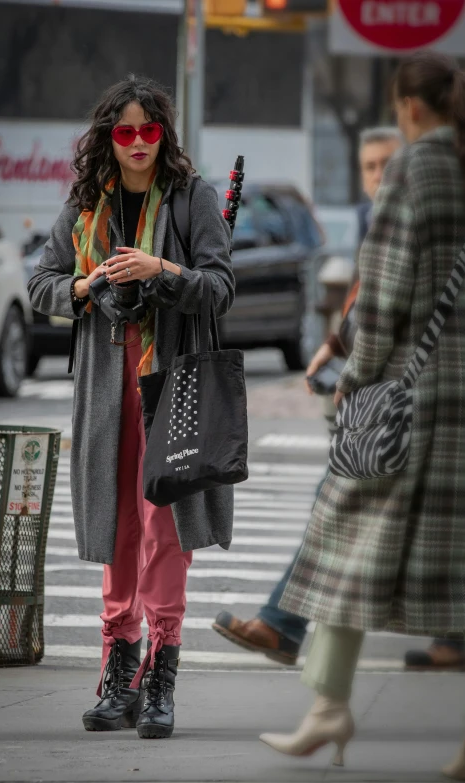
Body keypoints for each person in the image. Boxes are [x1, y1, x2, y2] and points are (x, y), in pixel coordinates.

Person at [259, 51, 465, 780]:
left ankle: (327, 708)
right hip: (456, 392)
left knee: (342, 535)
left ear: (409, 107)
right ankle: (329, 708)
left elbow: (382, 291)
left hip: (406, 397)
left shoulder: (414, 167)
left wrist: (357, 374)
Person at [28, 75, 235, 740]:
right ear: (108, 139)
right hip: (106, 392)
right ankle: (118, 676)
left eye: (150, 130)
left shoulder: (192, 198)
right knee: (119, 526)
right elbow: (40, 285)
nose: (140, 142)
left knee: (163, 526)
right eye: (126, 131)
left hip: (169, 387)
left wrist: (162, 273)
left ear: (164, 134)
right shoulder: (88, 204)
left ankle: (159, 673)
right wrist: (88, 285)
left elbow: (221, 287)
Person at [212, 126, 402, 667]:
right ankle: (287, 632)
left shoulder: (417, 224)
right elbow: (368, 304)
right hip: (386, 396)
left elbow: (396, 313)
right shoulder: (378, 225)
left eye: (387, 165)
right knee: (348, 510)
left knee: (340, 505)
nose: (377, 178)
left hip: (403, 399)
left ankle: (285, 630)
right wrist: (336, 346)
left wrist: (355, 369)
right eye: (368, 167)